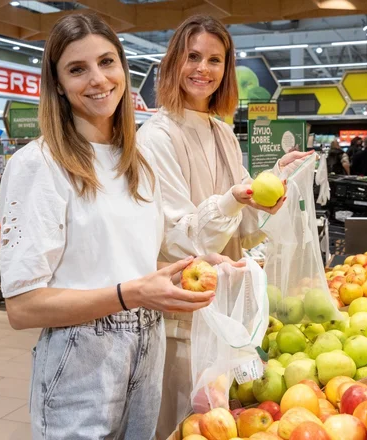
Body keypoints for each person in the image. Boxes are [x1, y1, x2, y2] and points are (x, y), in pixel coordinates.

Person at [0, 14, 215, 440]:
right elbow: (22, 307)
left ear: (123, 68)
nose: (98, 79)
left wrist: (196, 265)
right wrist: (129, 294)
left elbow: (128, 257)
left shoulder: (139, 163)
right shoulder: (39, 165)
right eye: (77, 69)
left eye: (107, 62)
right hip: (81, 355)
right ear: (57, 84)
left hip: (149, 345)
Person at [136, 15, 313, 438]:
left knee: (218, 423)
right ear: (173, 61)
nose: (203, 69)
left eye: (215, 60)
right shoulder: (156, 137)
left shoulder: (223, 132)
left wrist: (274, 181)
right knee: (180, 422)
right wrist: (234, 198)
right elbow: (181, 237)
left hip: (225, 310)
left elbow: (240, 226)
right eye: (193, 57)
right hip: (183, 313)